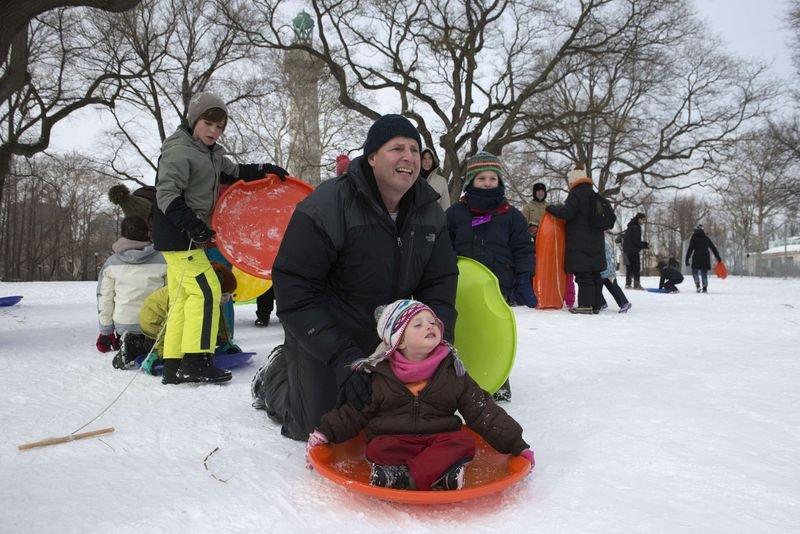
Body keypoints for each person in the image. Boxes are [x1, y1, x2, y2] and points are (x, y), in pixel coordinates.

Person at [252, 114, 459, 441]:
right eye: (397, 149)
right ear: (372, 157)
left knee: (406, 416)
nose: (408, 157)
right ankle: (275, 376)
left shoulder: (430, 212)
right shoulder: (327, 206)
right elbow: (295, 290)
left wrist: (436, 344)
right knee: (317, 424)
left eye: (414, 150)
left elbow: (439, 284)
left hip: (387, 335)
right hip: (326, 332)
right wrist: (342, 357)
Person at [305, 299, 534, 490]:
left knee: (463, 442)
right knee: (377, 446)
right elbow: (353, 413)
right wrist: (324, 433)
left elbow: (482, 410)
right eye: (418, 324)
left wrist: (517, 444)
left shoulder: (452, 371)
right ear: (398, 341)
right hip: (395, 440)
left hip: (439, 440)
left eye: (432, 322)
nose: (429, 326)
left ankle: (403, 478)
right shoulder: (379, 375)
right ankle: (439, 476)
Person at [152, 91, 287, 385]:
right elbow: (167, 195)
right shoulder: (179, 151)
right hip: (178, 234)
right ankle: (196, 361)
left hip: (184, 236)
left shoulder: (211, 154)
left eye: (220, 126)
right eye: (208, 123)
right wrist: (192, 225)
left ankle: (174, 364)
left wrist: (265, 170)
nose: (214, 131)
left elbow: (236, 172)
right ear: (194, 120)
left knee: (183, 298)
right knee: (208, 291)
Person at [445, 151, 536, 308]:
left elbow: (523, 249)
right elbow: (443, 245)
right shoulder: (454, 213)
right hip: (461, 287)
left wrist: (523, 278)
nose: (487, 183)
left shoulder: (512, 216)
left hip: (499, 290)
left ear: (499, 181)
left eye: (493, 178)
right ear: (471, 181)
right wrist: (449, 265)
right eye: (481, 178)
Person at [134, 262, 240, 374]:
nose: (227, 299)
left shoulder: (208, 295)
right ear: (215, 289)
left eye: (230, 295)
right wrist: (165, 356)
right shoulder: (187, 297)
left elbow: (218, 319)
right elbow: (170, 327)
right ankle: (144, 349)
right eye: (224, 295)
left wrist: (225, 342)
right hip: (153, 321)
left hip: (166, 319)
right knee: (180, 339)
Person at [96, 215, 167, 364]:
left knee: (126, 322)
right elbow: (170, 294)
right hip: (155, 323)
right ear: (148, 232)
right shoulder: (164, 259)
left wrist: (106, 331)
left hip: (125, 323)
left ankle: (130, 343)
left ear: (123, 234)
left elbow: (105, 298)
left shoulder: (111, 263)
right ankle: (150, 346)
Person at [546, 164, 606, 314]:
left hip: (580, 241)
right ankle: (596, 305)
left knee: (584, 274)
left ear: (573, 181)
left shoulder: (576, 194)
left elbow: (567, 213)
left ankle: (585, 305)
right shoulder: (594, 194)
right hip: (597, 241)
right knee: (595, 274)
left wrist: (551, 208)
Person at [685, 224, 721, 293]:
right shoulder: (706, 238)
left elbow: (690, 249)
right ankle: (704, 288)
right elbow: (713, 248)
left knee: (695, 271)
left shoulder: (694, 238)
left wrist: (687, 259)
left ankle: (698, 285)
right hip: (705, 257)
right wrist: (718, 257)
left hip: (696, 257)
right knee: (704, 273)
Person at [599, 238, 631, 312]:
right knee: (612, 287)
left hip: (605, 270)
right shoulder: (604, 241)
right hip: (608, 270)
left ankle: (624, 302)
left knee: (598, 287)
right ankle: (603, 303)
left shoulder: (600, 242)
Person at [622, 213, 648, 289]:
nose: (644, 221)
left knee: (629, 269)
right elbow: (636, 241)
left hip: (625, 251)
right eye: (643, 219)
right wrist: (645, 245)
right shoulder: (636, 227)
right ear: (639, 219)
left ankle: (628, 284)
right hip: (633, 251)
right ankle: (636, 284)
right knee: (636, 268)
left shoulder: (629, 226)